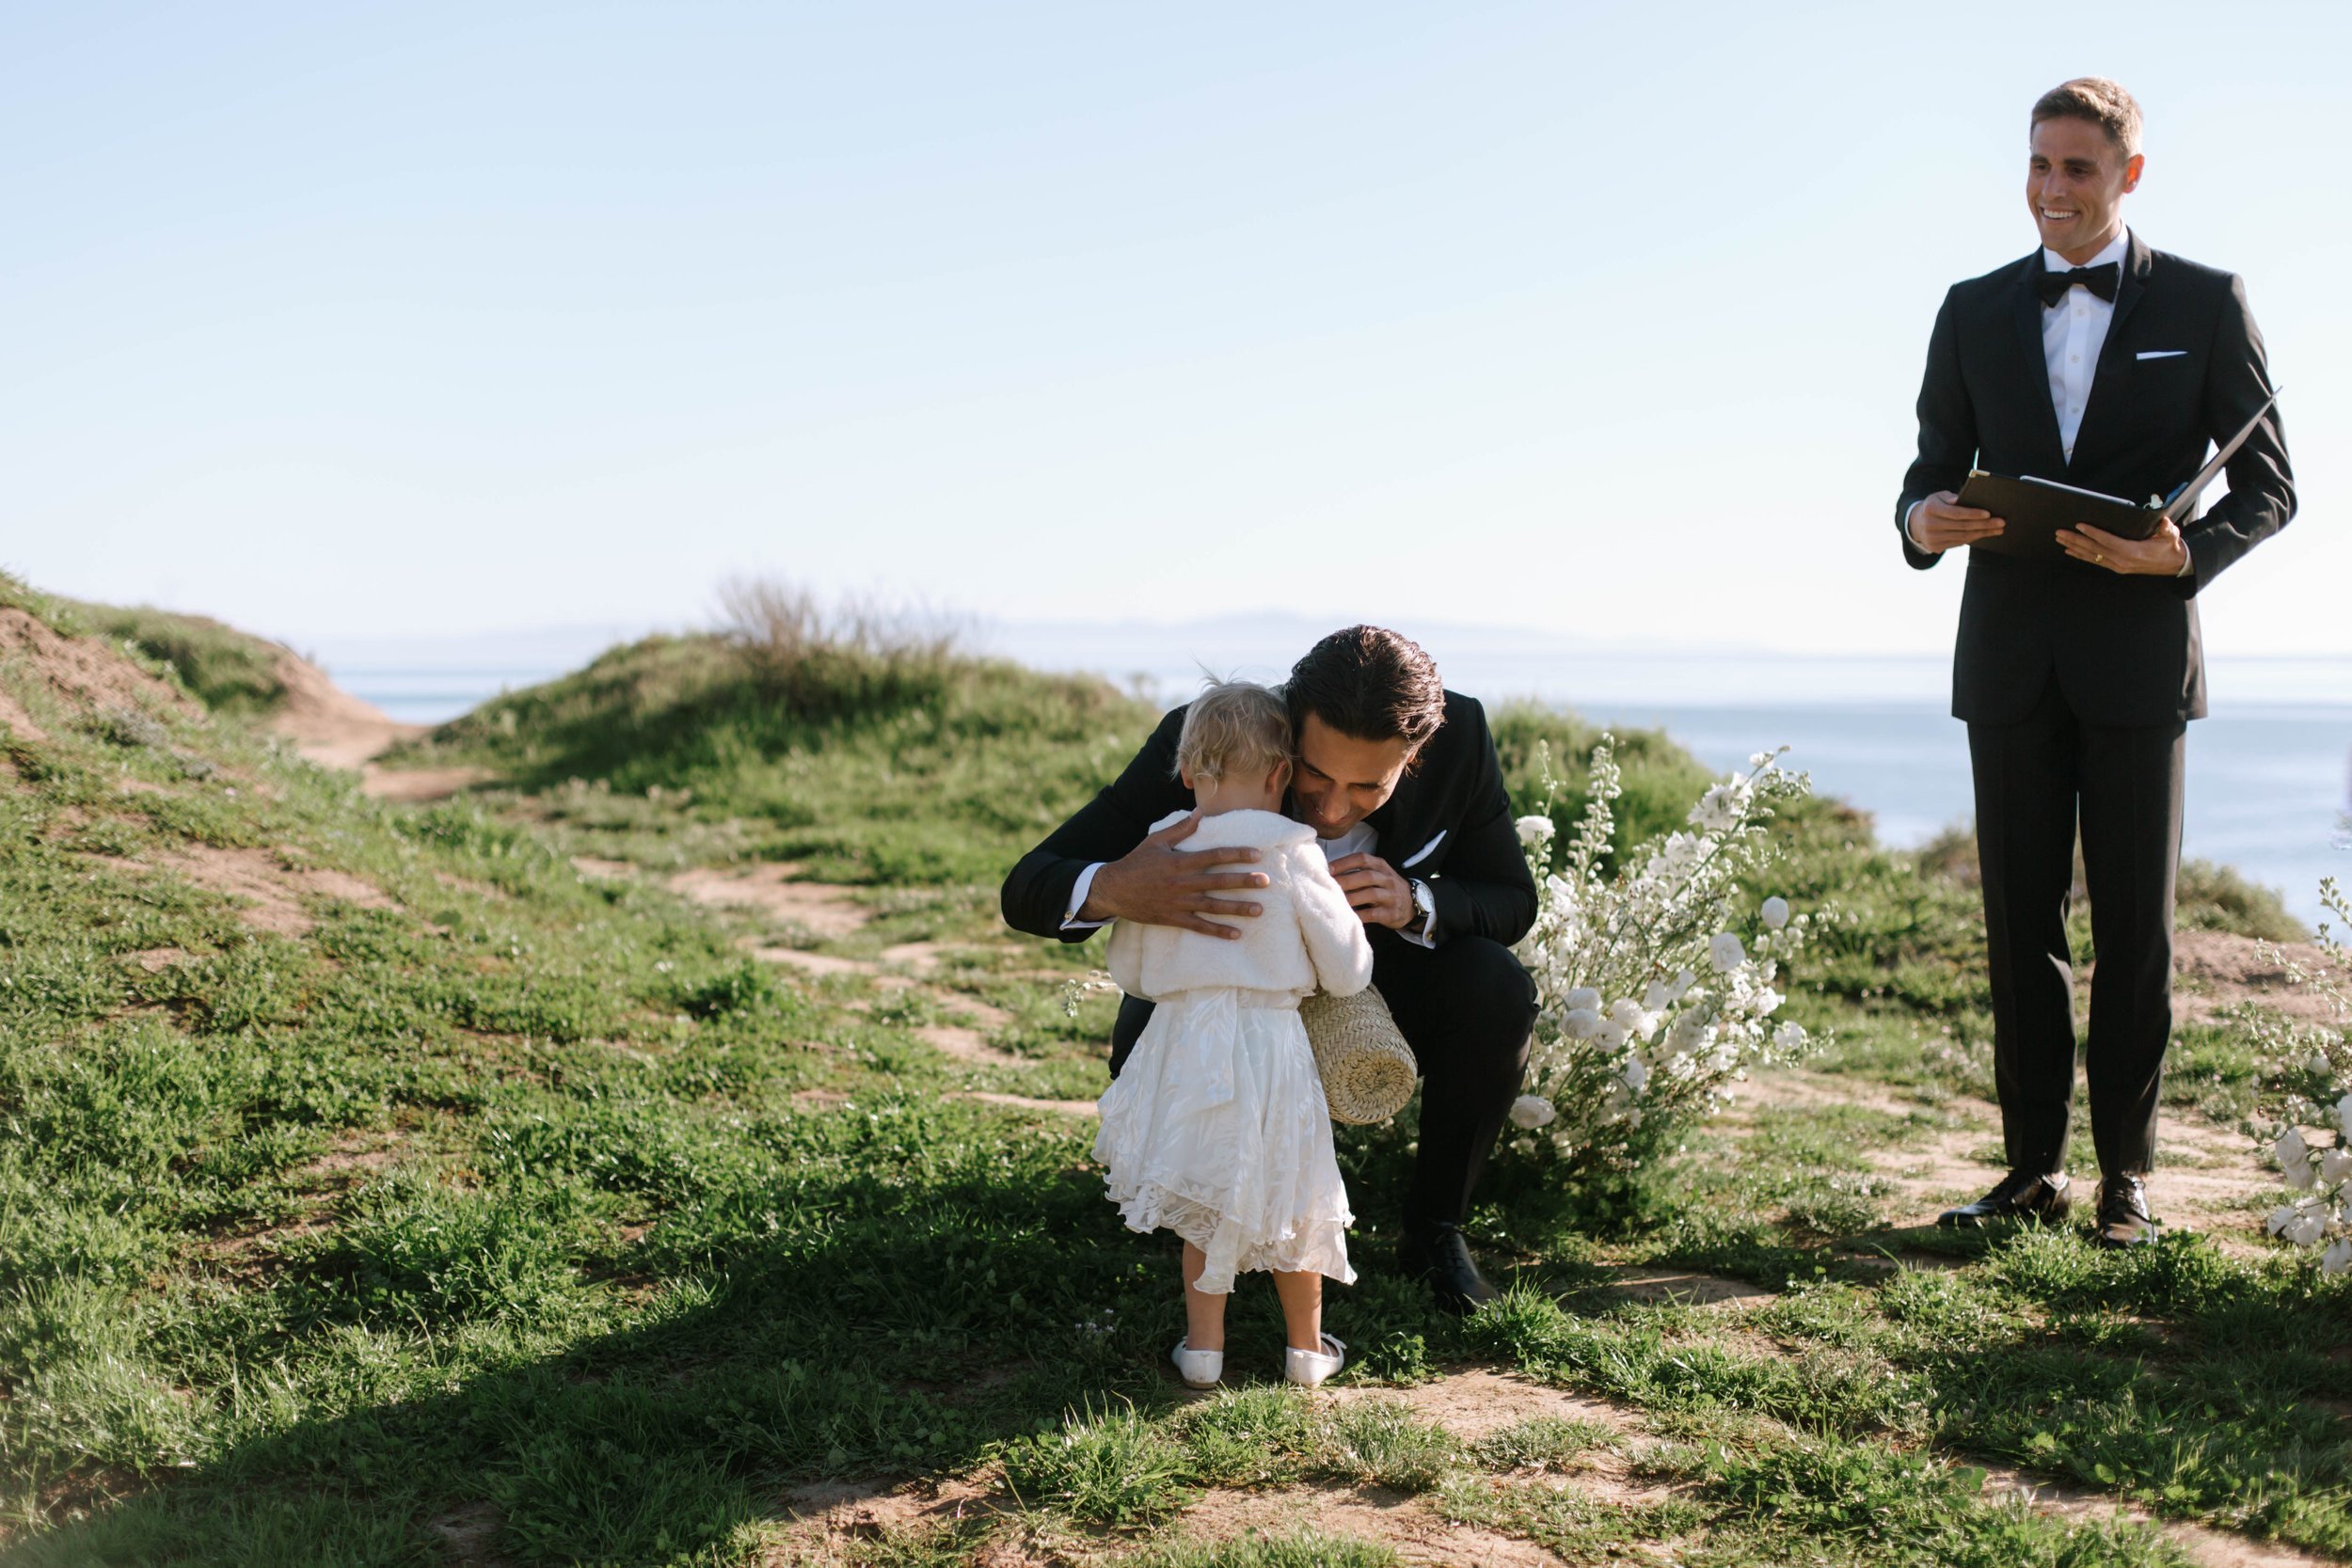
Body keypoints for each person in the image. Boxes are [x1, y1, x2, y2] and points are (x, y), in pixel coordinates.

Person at [1896, 78, 2296, 1245]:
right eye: (2037, 165)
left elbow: (2271, 487)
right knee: (2018, 928)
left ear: (2128, 175)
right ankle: (2030, 1168)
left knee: (2136, 929)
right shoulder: (1968, 308)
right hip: (2007, 662)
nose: (2051, 190)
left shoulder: (2208, 301)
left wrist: (2182, 555)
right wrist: (1921, 522)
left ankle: (2127, 1179)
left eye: (2077, 168)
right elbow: (1927, 468)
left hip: (2137, 664)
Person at [1002, 626, 1539, 1313]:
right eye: (1315, 774)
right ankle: (1193, 1203)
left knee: (1498, 988)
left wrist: (1415, 901)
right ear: (1289, 731)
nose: (1335, 807)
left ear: (1417, 752)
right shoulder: (1215, 736)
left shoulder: (1463, 735)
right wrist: (1117, 885)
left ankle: (1435, 1229)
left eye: (1367, 785)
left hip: (1379, 973)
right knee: (1143, 1042)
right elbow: (1028, 885)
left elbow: (1512, 898)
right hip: (1224, 991)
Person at [1089, 680, 1373, 1388]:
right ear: (1282, 774)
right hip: (1273, 1044)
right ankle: (1306, 1352)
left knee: (1205, 1202)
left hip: (1190, 1043)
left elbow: (1131, 968)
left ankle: (1205, 1351)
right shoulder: (1295, 852)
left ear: (1187, 772)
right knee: (1295, 1195)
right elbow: (1346, 969)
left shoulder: (1163, 850)